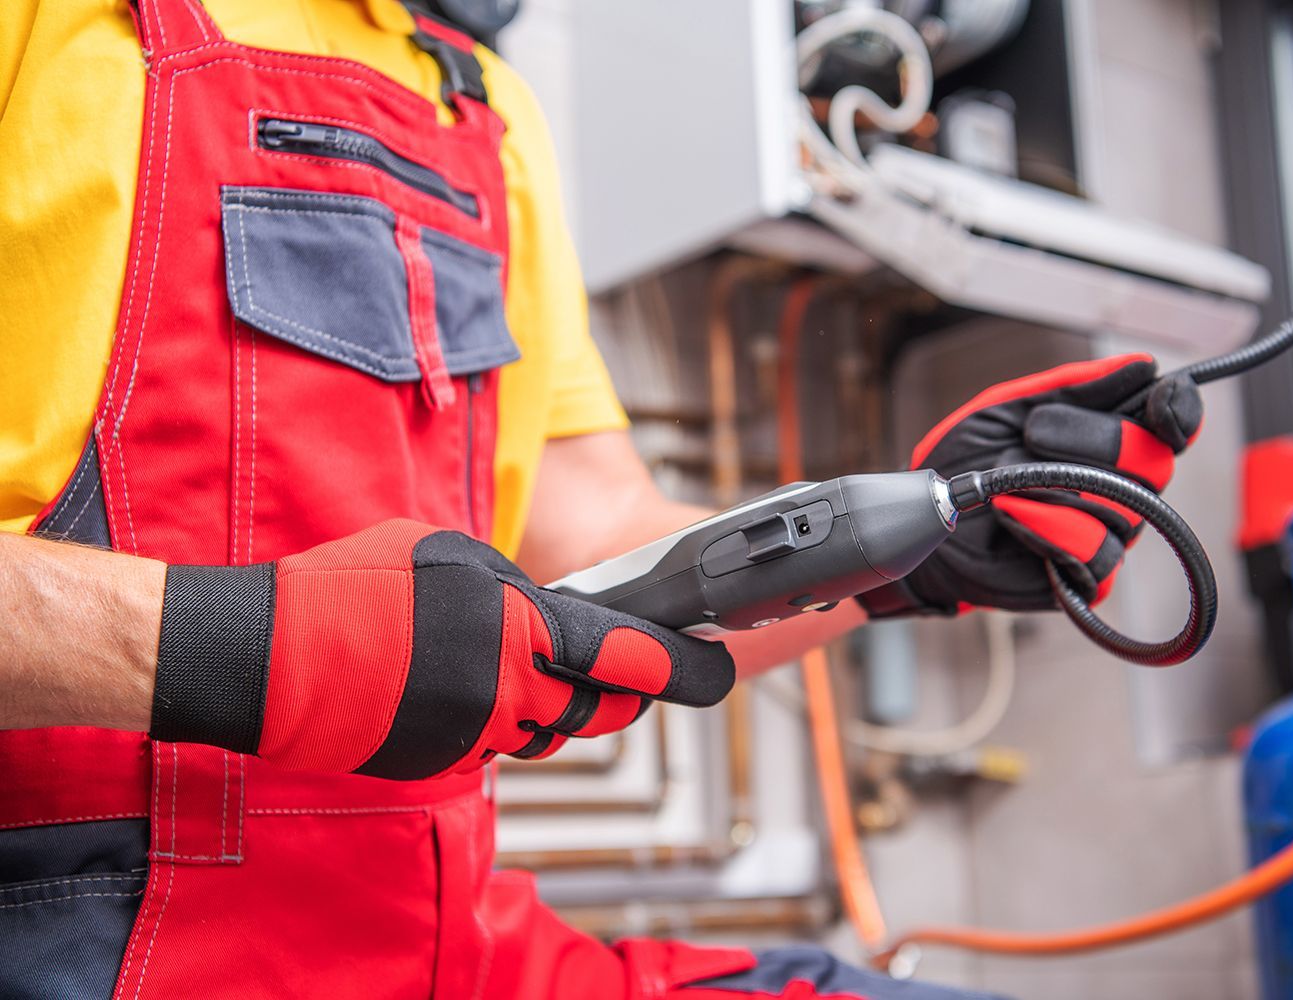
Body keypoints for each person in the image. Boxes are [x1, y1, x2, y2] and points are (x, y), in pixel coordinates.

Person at [0, 1, 1202, 996]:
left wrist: (915, 551)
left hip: (450, 949)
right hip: (72, 927)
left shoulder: (488, 109)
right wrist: (249, 649)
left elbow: (619, 563)